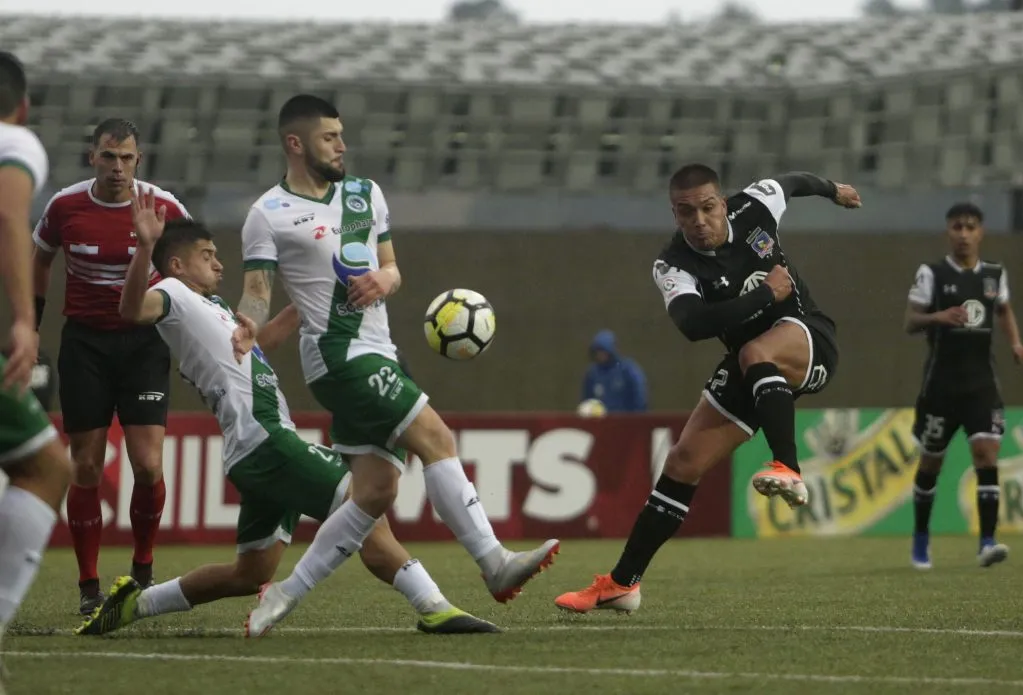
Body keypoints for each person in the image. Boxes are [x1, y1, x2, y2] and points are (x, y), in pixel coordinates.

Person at [75, 188, 498, 637]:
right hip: (265, 440)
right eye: (207, 255)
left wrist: (315, 292)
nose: (219, 264)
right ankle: (433, 605)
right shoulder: (172, 293)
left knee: (250, 573)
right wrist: (144, 248)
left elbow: (265, 339)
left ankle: (137, 604)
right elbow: (131, 309)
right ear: (177, 264)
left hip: (258, 444)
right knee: (362, 503)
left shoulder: (217, 308)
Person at [237, 94, 558, 634]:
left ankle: (284, 594)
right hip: (338, 356)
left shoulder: (365, 193)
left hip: (380, 350)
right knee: (436, 438)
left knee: (374, 494)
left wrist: (385, 280)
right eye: (328, 137)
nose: (341, 145)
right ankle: (494, 562)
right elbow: (257, 292)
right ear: (295, 143)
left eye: (341, 135)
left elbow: (391, 267)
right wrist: (246, 327)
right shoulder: (267, 214)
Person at [555, 165, 861, 614]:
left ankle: (788, 466)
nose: (699, 220)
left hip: (810, 339)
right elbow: (693, 324)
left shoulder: (755, 206)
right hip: (749, 363)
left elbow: (793, 182)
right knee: (682, 462)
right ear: (674, 214)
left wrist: (834, 190)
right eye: (686, 212)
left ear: (723, 202)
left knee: (756, 352)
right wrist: (766, 294)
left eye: (708, 207)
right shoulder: (673, 264)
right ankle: (623, 583)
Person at [32, 118, 189, 614]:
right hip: (85, 345)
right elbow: (40, 259)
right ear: (92, 157)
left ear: (138, 160)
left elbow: (191, 268)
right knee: (85, 465)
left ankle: (143, 567)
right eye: (108, 156)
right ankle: (88, 586)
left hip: (145, 343)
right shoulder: (65, 206)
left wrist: (199, 331)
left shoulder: (165, 208)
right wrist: (31, 327)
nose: (117, 167)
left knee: (147, 463)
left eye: (126, 158)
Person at [0, 50, 72, 685]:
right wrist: (25, 318)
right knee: (47, 466)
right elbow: (8, 214)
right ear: (21, 106)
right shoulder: (14, 141)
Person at [905, 203, 1023, 570]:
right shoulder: (933, 274)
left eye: (970, 227)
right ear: (948, 231)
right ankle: (921, 540)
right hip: (941, 386)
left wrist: (1016, 343)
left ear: (980, 232)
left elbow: (1003, 309)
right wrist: (939, 316)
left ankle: (987, 541)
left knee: (987, 455)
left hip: (981, 385)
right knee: (931, 463)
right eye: (957, 227)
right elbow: (910, 321)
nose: (963, 234)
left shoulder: (994, 274)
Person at [581, 329, 648, 413]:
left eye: (603, 351)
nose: (600, 355)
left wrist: (637, 416)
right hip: (601, 419)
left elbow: (640, 396)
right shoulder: (592, 373)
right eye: (597, 352)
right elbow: (587, 400)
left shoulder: (627, 370)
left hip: (625, 418)